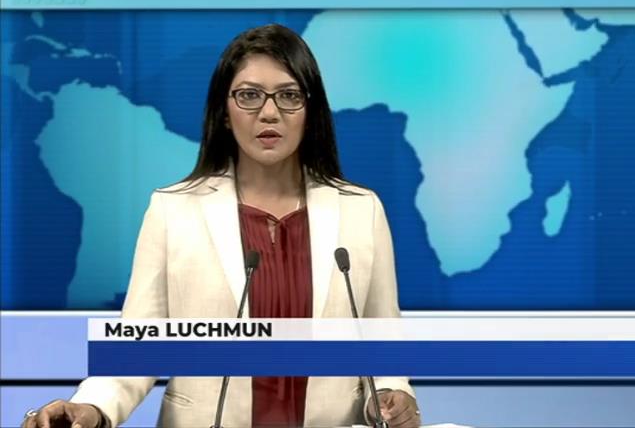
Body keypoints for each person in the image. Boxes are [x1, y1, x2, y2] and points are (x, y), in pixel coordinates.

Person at [22, 24, 421, 428]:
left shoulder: (361, 210)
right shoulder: (173, 210)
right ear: (224, 113)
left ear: (310, 111)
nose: (269, 113)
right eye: (249, 95)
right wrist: (90, 407)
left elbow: (382, 342)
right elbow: (137, 344)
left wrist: (392, 395)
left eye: (288, 95)